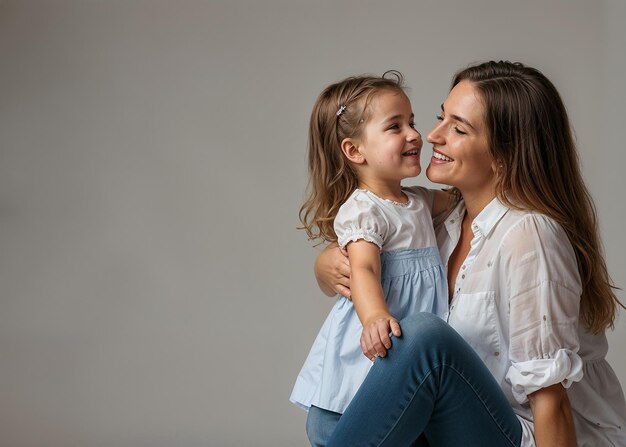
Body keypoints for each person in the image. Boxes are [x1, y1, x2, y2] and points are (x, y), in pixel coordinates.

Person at [314, 61, 626, 446]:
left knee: (426, 338)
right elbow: (377, 233)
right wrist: (326, 264)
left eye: (458, 128)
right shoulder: (444, 222)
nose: (430, 136)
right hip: (457, 424)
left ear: (505, 155)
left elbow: (551, 404)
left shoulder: (529, 238)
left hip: (529, 435)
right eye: (440, 118)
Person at [289, 72, 450, 446]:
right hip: (379, 331)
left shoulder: (420, 201)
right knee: (354, 403)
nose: (413, 134)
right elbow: (363, 267)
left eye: (411, 122)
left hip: (413, 343)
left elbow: (462, 200)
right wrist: (374, 315)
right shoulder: (364, 209)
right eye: (395, 127)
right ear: (355, 151)